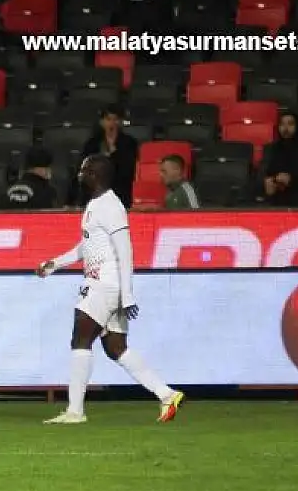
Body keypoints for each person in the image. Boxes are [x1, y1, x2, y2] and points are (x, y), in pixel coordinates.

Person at [36, 155, 186, 424]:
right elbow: (88, 246)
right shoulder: (95, 205)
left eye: (83, 170)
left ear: (94, 174)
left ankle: (75, 411)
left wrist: (127, 295)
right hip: (105, 284)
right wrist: (55, 263)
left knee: (80, 339)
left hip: (104, 283)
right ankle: (167, 395)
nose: (79, 174)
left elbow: (124, 250)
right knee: (116, 348)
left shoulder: (111, 205)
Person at [80, 104, 138, 207]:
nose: (112, 123)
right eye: (108, 119)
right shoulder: (92, 143)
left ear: (120, 122)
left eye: (115, 119)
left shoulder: (129, 143)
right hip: (95, 189)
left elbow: (129, 169)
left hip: (120, 188)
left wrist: (114, 152)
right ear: (102, 122)